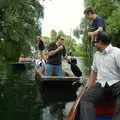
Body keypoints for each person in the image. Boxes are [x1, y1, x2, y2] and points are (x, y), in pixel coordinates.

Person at [80, 32, 120, 120]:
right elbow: (93, 72)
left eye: (94, 42)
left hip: (117, 84)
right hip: (101, 85)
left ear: (100, 42)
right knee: (86, 98)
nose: (93, 44)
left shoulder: (117, 52)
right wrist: (87, 88)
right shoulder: (97, 55)